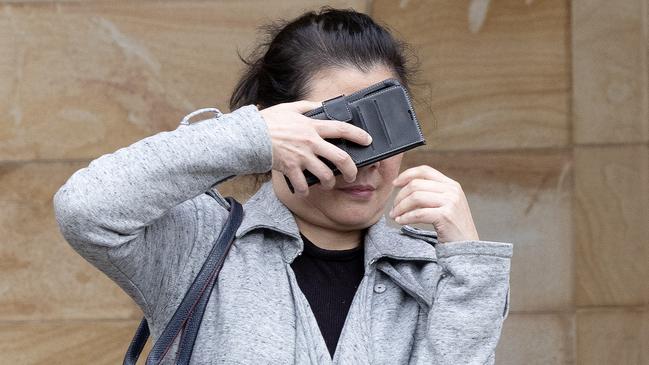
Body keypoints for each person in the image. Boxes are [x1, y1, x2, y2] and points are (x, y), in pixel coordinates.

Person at [53, 6, 512, 365]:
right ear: (283, 125)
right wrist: (249, 136)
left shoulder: (429, 271)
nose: (366, 166)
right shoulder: (201, 243)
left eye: (387, 130)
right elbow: (86, 208)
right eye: (338, 135)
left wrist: (469, 264)